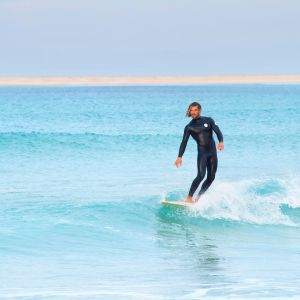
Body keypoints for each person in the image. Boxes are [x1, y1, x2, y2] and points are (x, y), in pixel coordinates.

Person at [174, 102, 224, 203]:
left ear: (199, 110)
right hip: (202, 153)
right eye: (191, 110)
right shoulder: (189, 127)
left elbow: (218, 131)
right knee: (201, 175)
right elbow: (184, 142)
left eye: (195, 110)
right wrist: (180, 156)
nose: (193, 112)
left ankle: (199, 197)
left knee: (211, 177)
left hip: (212, 152)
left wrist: (221, 141)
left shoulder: (209, 120)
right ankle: (189, 197)